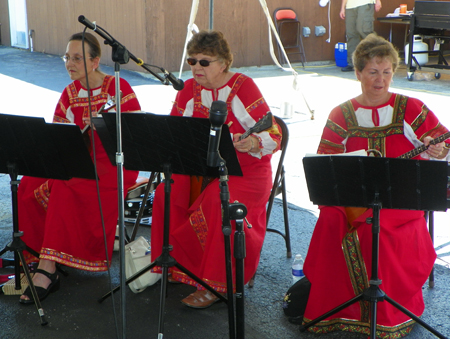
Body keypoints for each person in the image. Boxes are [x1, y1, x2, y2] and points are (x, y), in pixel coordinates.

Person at [302, 34, 449, 336]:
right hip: (352, 198)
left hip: (400, 200)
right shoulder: (340, 114)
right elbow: (325, 164)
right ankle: (338, 310)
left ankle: (386, 314)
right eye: (372, 71)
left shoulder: (411, 108)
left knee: (374, 229)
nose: (380, 80)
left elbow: (444, 139)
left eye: (386, 72)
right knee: (330, 219)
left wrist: (437, 149)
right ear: (358, 73)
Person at [150, 30, 282, 308]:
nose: (196, 67)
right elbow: (174, 132)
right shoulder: (187, 89)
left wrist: (252, 142)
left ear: (223, 63)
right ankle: (176, 265)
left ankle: (215, 283)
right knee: (166, 192)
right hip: (199, 168)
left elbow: (274, 132)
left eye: (204, 62)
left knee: (219, 202)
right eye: (192, 61)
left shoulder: (243, 87)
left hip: (246, 170)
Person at [18, 32, 141, 304]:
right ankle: (41, 251)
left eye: (76, 58)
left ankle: (47, 268)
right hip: (75, 157)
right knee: (27, 183)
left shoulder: (118, 88)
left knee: (64, 185)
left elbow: (134, 137)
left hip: (111, 162)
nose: (69, 64)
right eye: (67, 57)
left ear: (95, 61)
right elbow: (58, 135)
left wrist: (105, 128)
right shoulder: (69, 92)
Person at [340, 0, 382, 72]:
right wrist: (342, 7)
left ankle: (377, 59)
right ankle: (352, 63)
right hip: (349, 6)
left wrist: (378, 1)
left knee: (364, 30)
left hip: (364, 3)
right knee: (351, 34)